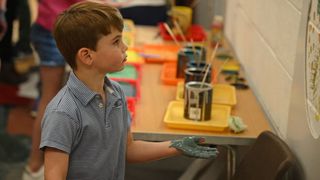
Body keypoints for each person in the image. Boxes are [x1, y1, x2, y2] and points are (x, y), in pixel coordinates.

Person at [41, 1, 217, 179]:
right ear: (87, 56)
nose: (125, 47)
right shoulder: (63, 113)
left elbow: (128, 149)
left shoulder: (115, 93)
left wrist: (176, 146)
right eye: (116, 41)